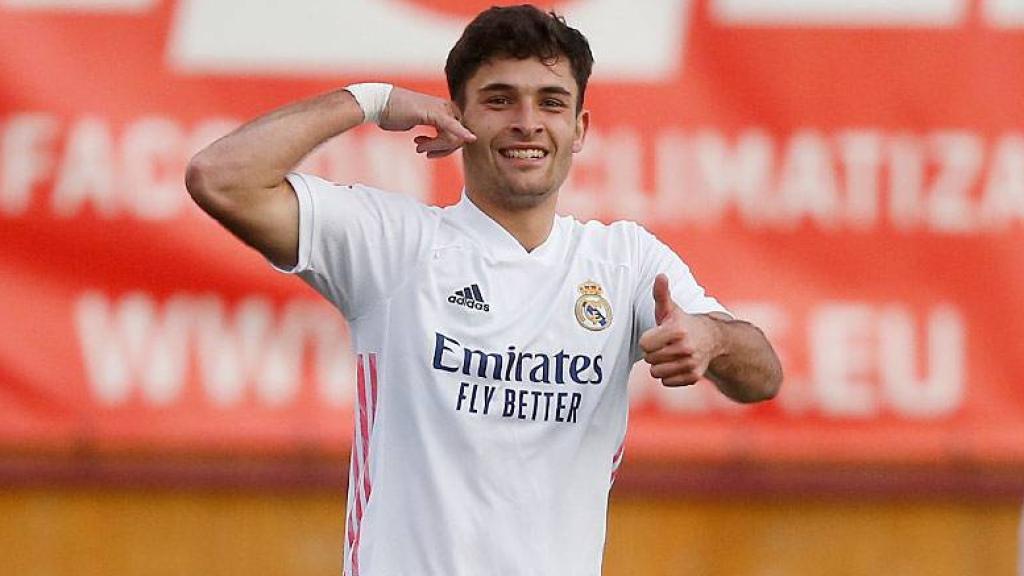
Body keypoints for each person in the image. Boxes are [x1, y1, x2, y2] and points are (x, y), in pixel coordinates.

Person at [185, 5, 782, 575]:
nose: (527, 122)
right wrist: (372, 101)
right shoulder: (395, 247)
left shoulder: (625, 261)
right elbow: (220, 178)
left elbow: (763, 377)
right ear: (458, 117)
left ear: (579, 128)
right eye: (499, 100)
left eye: (551, 103)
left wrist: (711, 338)